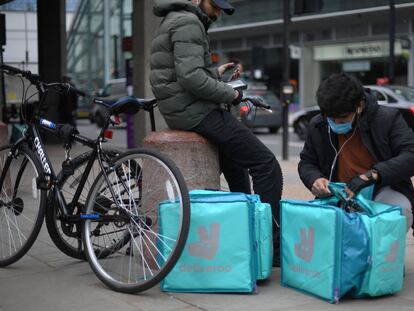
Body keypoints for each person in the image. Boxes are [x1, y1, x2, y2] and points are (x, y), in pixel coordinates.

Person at [150, 0, 283, 265]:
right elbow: (190, 78)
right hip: (194, 111)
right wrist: (232, 93)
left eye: (223, 9)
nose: (219, 13)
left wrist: (216, 73)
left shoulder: (175, 18)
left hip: (183, 108)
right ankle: (273, 247)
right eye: (216, 5)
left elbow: (186, 72)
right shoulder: (189, 22)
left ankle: (245, 235)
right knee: (266, 164)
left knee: (236, 165)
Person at [298, 72, 414, 232]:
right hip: (339, 194)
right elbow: (307, 162)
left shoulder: (386, 119)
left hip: (381, 189)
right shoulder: (318, 124)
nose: (337, 124)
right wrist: (314, 179)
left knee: (398, 211)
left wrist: (372, 175)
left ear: (359, 106)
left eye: (343, 119)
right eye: (331, 118)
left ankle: (379, 254)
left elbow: (410, 155)